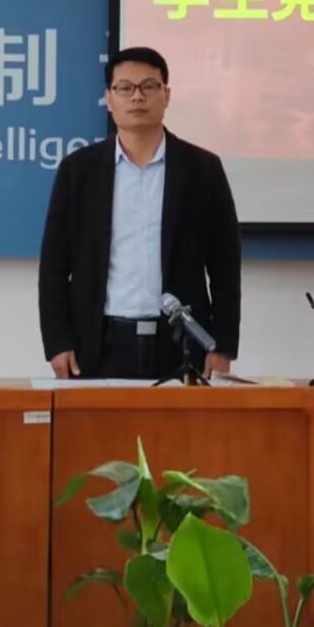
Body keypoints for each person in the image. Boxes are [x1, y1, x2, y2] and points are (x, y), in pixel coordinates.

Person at [39, 46, 242, 380]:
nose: (137, 97)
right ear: (109, 98)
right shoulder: (79, 170)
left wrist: (222, 344)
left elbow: (225, 266)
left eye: (149, 86)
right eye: (125, 88)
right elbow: (54, 264)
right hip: (98, 342)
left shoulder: (202, 169)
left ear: (166, 95)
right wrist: (57, 341)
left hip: (182, 343)